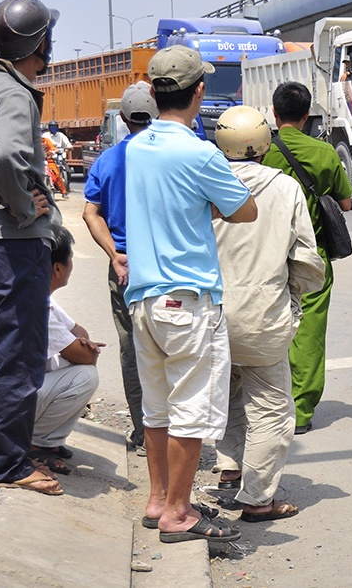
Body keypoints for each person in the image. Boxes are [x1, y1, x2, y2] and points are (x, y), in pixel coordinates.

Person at [125, 45, 258, 543]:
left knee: (157, 410)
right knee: (191, 411)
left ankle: (158, 499)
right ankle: (178, 514)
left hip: (142, 299)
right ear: (199, 90)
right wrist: (206, 210)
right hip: (187, 300)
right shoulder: (199, 153)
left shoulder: (136, 147)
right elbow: (244, 211)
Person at [212, 106, 326, 521]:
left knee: (227, 396)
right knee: (273, 410)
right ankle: (258, 498)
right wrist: (292, 298)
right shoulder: (284, 188)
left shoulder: (207, 182)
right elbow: (306, 261)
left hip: (212, 313)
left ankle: (228, 469)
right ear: (264, 143)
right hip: (263, 314)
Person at [0, 0, 64, 497]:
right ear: (40, 44)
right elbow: (4, 154)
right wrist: (23, 206)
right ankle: (10, 465)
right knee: (18, 354)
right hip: (13, 246)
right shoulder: (14, 93)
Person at [262, 80, 352, 435]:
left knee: (265, 325)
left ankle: (267, 403)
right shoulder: (324, 152)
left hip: (265, 255)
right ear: (307, 115)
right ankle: (300, 411)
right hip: (311, 256)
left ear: (273, 112)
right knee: (310, 332)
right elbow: (345, 202)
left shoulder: (261, 151)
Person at [81, 81, 158, 455]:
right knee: (171, 348)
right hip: (167, 266)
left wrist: (114, 253)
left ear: (124, 118)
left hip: (126, 269)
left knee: (132, 349)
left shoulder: (107, 161)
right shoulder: (170, 155)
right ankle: (174, 432)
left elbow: (90, 213)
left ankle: (145, 433)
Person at [31, 228, 102, 476]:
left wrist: (79, 342)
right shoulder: (36, 304)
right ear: (58, 268)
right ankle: (35, 442)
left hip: (18, 393)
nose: (72, 264)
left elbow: (78, 330)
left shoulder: (40, 296)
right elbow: (87, 355)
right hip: (9, 399)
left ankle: (45, 439)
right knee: (85, 375)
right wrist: (81, 345)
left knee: (75, 369)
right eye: (70, 259)